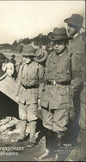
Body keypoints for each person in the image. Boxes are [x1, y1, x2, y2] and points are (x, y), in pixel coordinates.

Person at [38, 27, 79, 160]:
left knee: (59, 127)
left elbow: (77, 79)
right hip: (48, 96)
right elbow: (44, 76)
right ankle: (50, 151)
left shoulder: (71, 57)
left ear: (66, 43)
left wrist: (69, 94)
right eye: (54, 43)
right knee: (47, 125)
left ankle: (60, 155)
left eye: (59, 42)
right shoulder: (50, 56)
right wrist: (42, 92)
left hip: (62, 96)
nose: (56, 46)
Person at [15, 44, 44, 148]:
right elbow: (18, 80)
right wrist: (16, 93)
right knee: (22, 116)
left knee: (32, 118)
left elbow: (41, 83)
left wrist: (40, 97)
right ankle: (21, 135)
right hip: (22, 94)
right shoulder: (22, 66)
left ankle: (32, 139)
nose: (25, 58)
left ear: (32, 57)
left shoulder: (38, 67)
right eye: (24, 56)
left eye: (27, 56)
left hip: (33, 94)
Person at [63, 13, 85, 145]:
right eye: (67, 25)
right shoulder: (70, 43)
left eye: (71, 26)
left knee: (83, 116)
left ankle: (83, 147)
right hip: (71, 83)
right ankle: (75, 141)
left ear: (77, 27)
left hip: (81, 83)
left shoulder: (83, 41)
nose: (68, 28)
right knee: (73, 112)